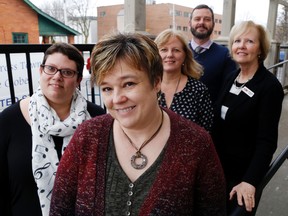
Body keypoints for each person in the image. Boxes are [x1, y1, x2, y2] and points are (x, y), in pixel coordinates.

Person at [49, 32, 226, 216]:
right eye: (107, 88)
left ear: (156, 82)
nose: (117, 99)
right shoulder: (87, 137)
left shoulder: (196, 144)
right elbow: (60, 209)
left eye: (129, 84)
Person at [0, 42, 105, 216]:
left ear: (78, 79)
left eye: (67, 72)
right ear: (41, 71)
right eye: (51, 68)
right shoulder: (9, 120)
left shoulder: (97, 119)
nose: (57, 77)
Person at [211, 20, 284, 215]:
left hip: (242, 177)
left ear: (261, 49)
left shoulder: (269, 87)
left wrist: (250, 181)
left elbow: (266, 141)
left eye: (249, 41)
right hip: (219, 170)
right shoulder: (231, 78)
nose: (241, 46)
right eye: (237, 41)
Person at [155, 29, 213, 132]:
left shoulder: (198, 90)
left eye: (176, 50)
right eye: (164, 50)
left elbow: (206, 130)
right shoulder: (148, 86)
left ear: (185, 55)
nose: (169, 55)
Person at [189, 4, 237, 104]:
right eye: (197, 19)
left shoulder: (225, 55)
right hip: (180, 115)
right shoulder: (179, 52)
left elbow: (227, 91)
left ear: (213, 24)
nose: (201, 22)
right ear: (190, 23)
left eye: (207, 19)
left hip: (211, 116)